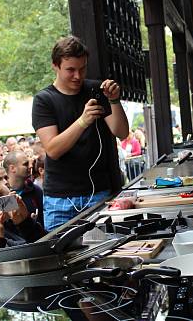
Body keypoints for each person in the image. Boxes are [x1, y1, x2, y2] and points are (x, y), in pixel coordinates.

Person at [32, 35, 129, 231]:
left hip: (98, 191)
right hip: (60, 198)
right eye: (70, 70)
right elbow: (53, 149)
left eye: (82, 68)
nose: (77, 75)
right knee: (62, 256)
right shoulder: (44, 99)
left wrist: (114, 101)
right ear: (55, 66)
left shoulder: (95, 88)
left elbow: (121, 132)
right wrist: (83, 121)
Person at [3, 151, 44, 226]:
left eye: (30, 163)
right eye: (26, 164)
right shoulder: (5, 194)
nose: (31, 166)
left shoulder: (35, 190)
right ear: (12, 168)